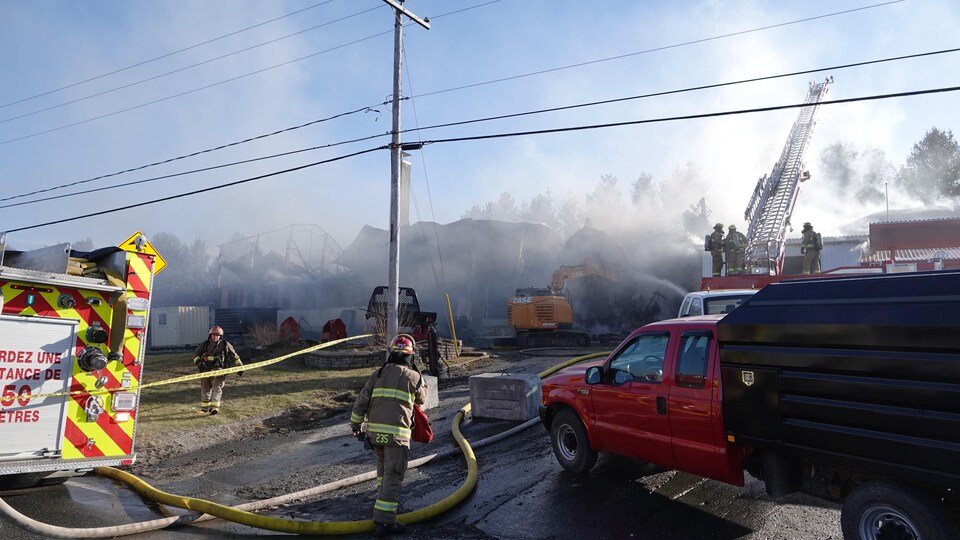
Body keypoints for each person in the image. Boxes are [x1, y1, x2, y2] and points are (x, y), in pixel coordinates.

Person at [350, 334, 427, 537]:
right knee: (394, 474)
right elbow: (422, 400)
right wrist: (418, 373)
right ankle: (384, 522)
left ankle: (381, 504)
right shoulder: (414, 377)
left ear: (392, 354)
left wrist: (356, 425)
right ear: (410, 357)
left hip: (375, 435)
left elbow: (361, 402)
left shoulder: (378, 374)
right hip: (397, 437)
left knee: (383, 470)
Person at [192, 326, 243, 415]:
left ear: (220, 336)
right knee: (205, 389)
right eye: (214, 335)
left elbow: (234, 355)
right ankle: (204, 409)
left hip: (219, 371)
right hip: (205, 370)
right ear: (210, 335)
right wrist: (199, 363)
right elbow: (195, 355)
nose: (216, 337)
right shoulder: (204, 344)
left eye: (218, 335)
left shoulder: (225, 344)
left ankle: (214, 408)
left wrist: (240, 366)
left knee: (217, 388)